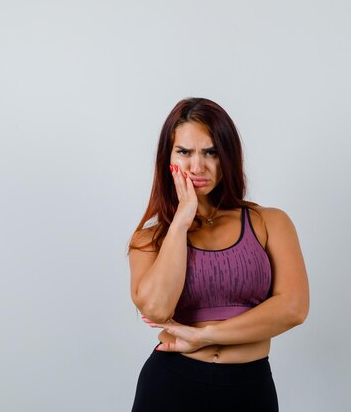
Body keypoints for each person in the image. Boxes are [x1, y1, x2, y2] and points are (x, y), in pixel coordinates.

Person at [128, 97, 309, 412]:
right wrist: (182, 221)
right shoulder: (149, 239)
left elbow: (293, 308)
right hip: (171, 386)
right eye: (184, 152)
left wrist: (206, 336)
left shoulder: (269, 222)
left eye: (210, 152)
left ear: (227, 156)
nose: (197, 167)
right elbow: (157, 309)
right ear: (167, 158)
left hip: (249, 388)